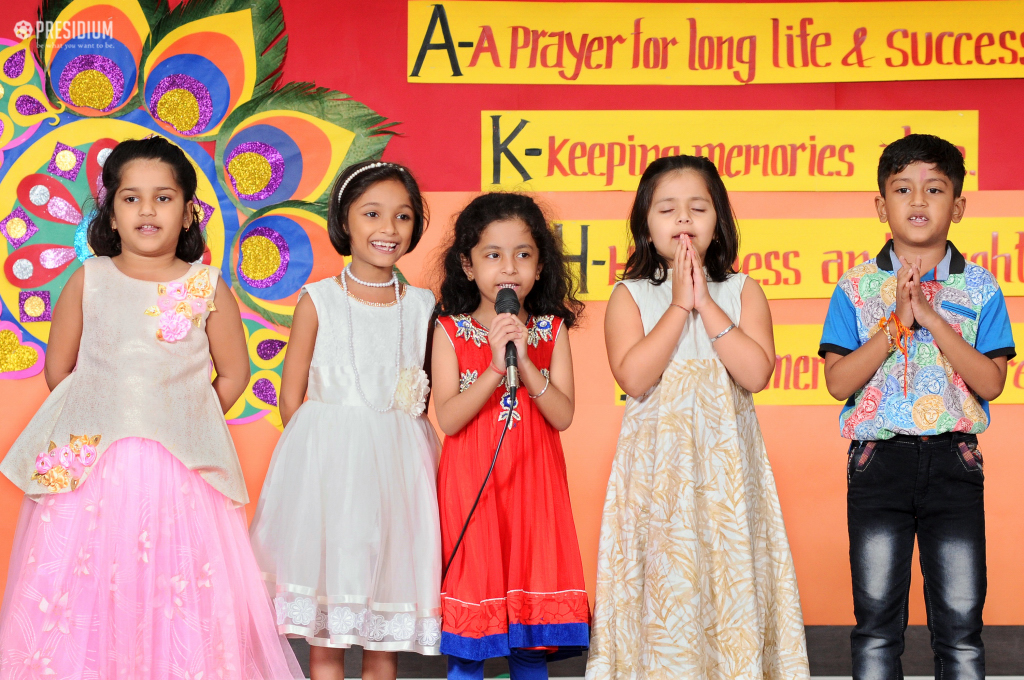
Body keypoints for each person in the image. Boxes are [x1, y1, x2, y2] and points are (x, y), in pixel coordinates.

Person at [0, 136, 302, 679]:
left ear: (188, 212)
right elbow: (59, 369)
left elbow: (233, 373)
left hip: (179, 476)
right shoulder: (89, 279)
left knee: (173, 586)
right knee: (83, 588)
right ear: (110, 214)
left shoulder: (206, 286)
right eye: (131, 198)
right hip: (92, 471)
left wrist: (182, 413)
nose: (147, 209)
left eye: (163, 198)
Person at [587, 155, 809, 680]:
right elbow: (634, 378)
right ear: (646, 223)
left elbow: (755, 374)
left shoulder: (742, 291)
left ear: (719, 221)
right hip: (658, 487)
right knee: (666, 592)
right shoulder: (630, 295)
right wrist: (678, 306)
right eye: (667, 209)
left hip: (726, 485)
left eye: (697, 208)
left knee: (726, 585)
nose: (683, 220)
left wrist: (707, 303)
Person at [820, 134, 1013, 679]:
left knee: (959, 624)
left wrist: (930, 318)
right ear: (882, 206)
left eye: (935, 188)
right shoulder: (856, 286)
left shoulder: (979, 287)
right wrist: (897, 324)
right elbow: (838, 382)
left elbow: (991, 382)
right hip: (878, 462)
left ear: (960, 205)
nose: (919, 201)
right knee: (878, 622)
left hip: (955, 462)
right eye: (903, 189)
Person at [249, 161, 442, 680]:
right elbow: (292, 398)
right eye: (372, 214)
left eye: (403, 216)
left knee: (386, 619)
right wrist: (324, 454)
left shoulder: (424, 307)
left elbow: (431, 392)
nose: (388, 228)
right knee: (328, 624)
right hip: (330, 474)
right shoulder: (319, 300)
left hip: (401, 473)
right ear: (344, 219)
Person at [432, 192, 589, 680]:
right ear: (468, 264)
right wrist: (494, 369)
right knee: (472, 643)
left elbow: (562, 415)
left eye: (523, 254)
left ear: (540, 266)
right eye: (492, 255)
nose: (508, 268)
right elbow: (449, 418)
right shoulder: (450, 330)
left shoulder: (550, 329)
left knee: (528, 637)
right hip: (473, 492)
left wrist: (527, 362)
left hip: (534, 491)